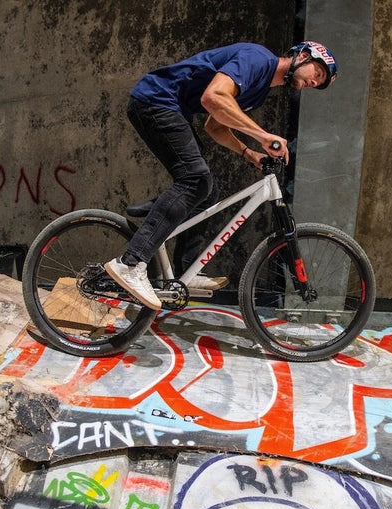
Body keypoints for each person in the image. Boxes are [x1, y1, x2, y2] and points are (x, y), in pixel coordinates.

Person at [106, 41, 338, 310]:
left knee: (207, 190)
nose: (314, 82)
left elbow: (214, 124)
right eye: (317, 74)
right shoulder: (259, 59)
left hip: (171, 109)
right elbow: (213, 97)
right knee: (195, 180)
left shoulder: (260, 90)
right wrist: (263, 136)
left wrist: (248, 153)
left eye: (319, 83)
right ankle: (130, 263)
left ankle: (186, 271)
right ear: (304, 56)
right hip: (155, 101)